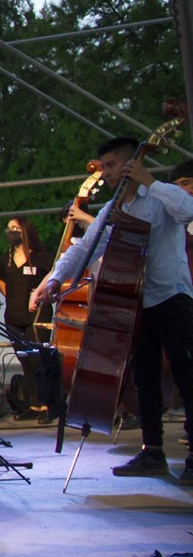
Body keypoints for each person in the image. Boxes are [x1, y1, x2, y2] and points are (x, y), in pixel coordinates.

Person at [37, 136, 193, 485]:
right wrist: (55, 280)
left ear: (131, 164)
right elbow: (86, 247)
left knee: (188, 377)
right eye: (103, 166)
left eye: (111, 165)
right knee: (145, 378)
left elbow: (189, 212)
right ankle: (153, 450)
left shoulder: (160, 195)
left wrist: (150, 181)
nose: (105, 172)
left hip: (171, 296)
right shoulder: (113, 208)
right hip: (136, 302)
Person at [0, 217, 53, 343]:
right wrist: (10, 295)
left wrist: (43, 292)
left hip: (36, 314)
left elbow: (54, 273)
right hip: (13, 317)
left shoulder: (41, 257)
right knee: (24, 358)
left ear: (25, 231)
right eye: (9, 229)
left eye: (15, 228)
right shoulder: (7, 259)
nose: (11, 231)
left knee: (37, 358)